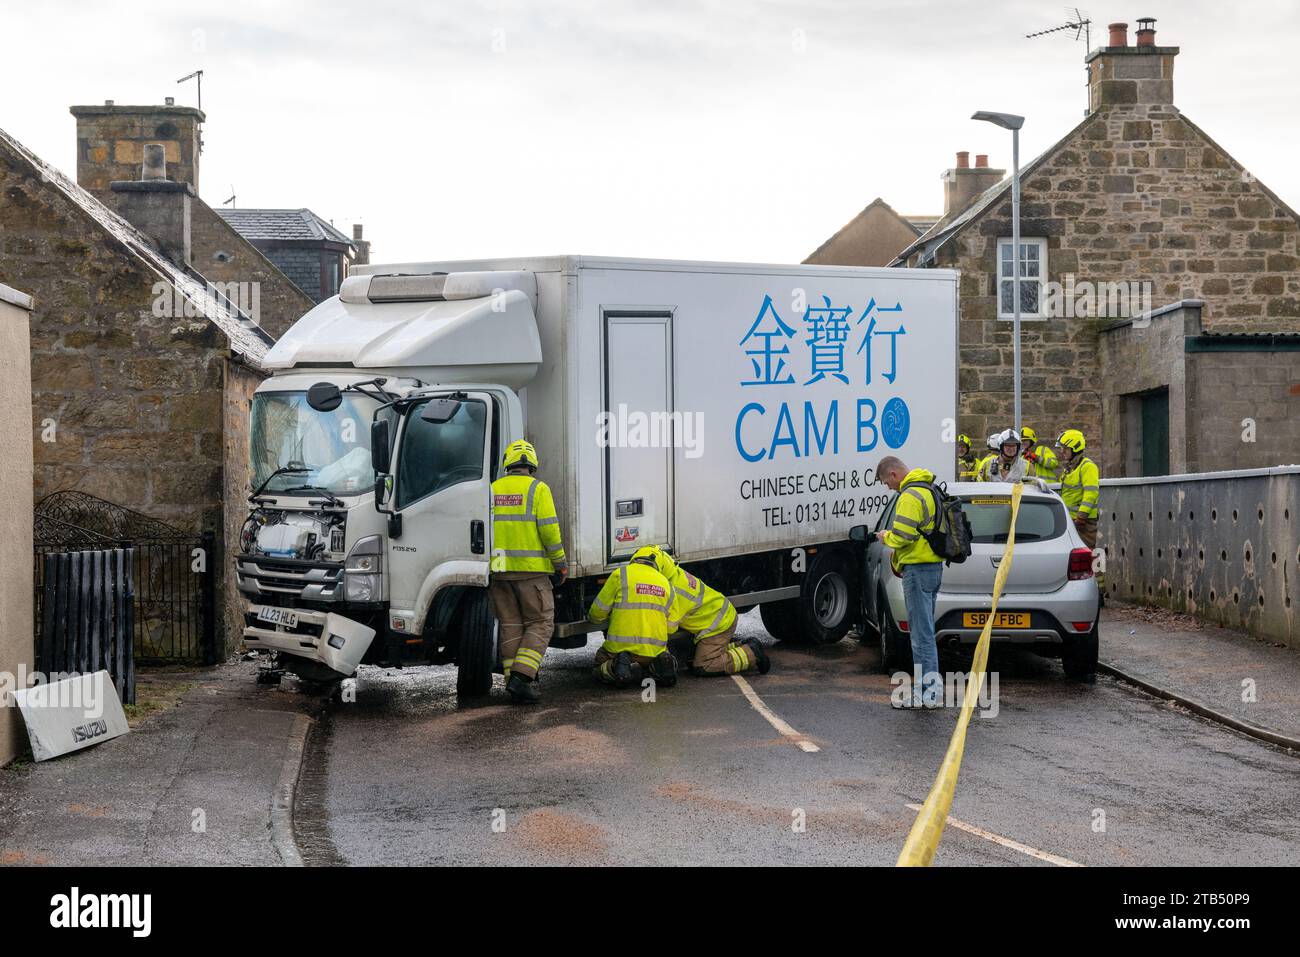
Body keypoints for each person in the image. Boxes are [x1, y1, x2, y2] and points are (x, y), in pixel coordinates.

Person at [488, 439, 567, 704]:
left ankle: (513, 680)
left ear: (508, 463)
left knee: (510, 625)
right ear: (532, 464)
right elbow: (549, 531)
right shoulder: (538, 489)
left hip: (498, 572)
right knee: (541, 622)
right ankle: (522, 677)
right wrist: (560, 563)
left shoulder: (492, 489)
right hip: (531, 574)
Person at [874, 456, 945, 708]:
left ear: (894, 474)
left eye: (885, 482)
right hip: (933, 567)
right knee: (926, 632)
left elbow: (903, 536)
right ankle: (931, 690)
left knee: (920, 634)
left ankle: (928, 694)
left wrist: (886, 536)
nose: (887, 487)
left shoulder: (909, 496)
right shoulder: (929, 488)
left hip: (917, 568)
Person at [647, 546, 768, 676]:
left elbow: (669, 628)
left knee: (704, 665)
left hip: (719, 624)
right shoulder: (673, 574)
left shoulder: (674, 593)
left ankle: (751, 653)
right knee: (691, 655)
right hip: (719, 615)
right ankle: (740, 645)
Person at [588, 545, 678, 689]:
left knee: (598, 666)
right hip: (653, 651)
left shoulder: (621, 574)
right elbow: (672, 628)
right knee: (657, 656)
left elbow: (597, 613)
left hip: (618, 649)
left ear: (635, 557)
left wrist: (596, 619)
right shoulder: (667, 584)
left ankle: (616, 666)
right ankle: (661, 666)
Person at [1055, 429, 1101, 549]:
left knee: (1086, 556)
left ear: (1075, 448)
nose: (1062, 451)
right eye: (1061, 448)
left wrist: (1081, 516)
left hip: (1083, 523)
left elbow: (1091, 493)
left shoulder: (1087, 467)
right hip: (1071, 520)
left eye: (1065, 448)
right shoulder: (1070, 468)